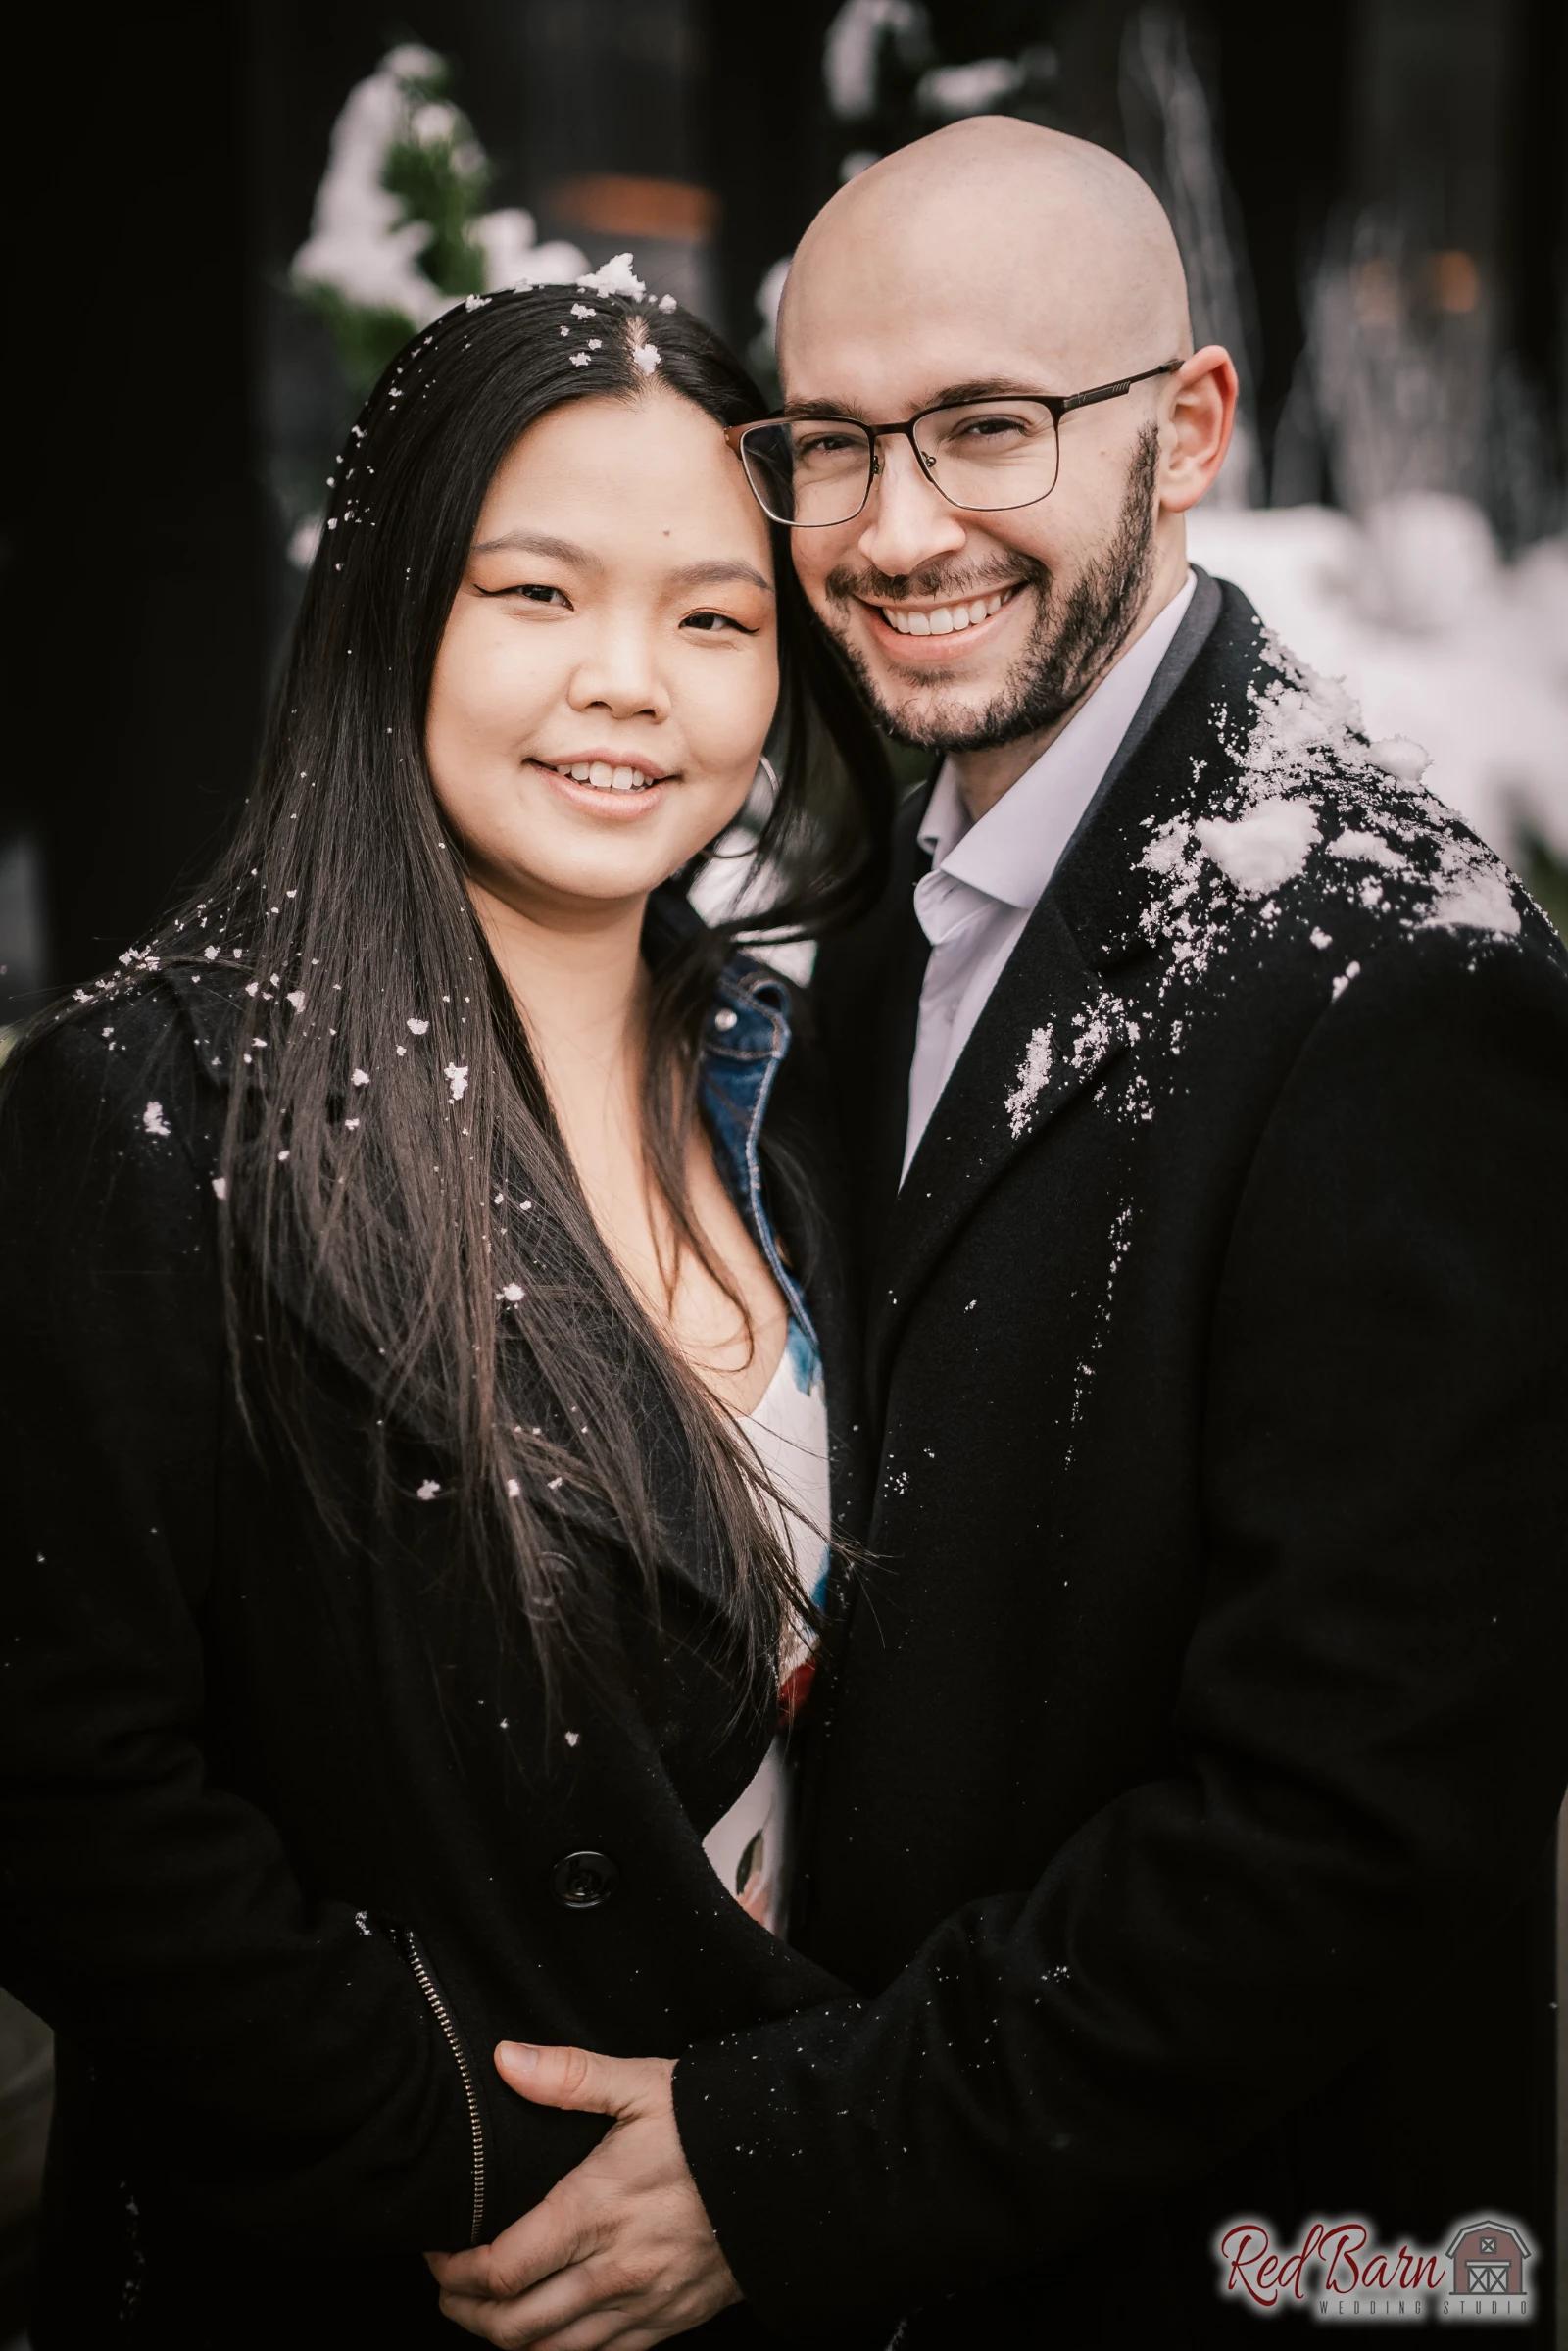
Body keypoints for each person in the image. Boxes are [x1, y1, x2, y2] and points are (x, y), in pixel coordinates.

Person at [436, 122, 1568, 2348]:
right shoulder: (885, 880)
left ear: (1187, 427)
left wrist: (803, 2163)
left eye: (981, 427)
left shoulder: (1398, 979)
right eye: (831, 445)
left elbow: (1347, 1830)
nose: (895, 526)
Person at [0, 274, 900, 2347]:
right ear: (393, 602)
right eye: (535, 592)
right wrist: (467, 2156)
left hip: (782, 2220)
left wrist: (787, 2150)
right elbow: (58, 1776)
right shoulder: (151, 1108)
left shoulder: (789, 1075)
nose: (627, 688)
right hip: (395, 2267)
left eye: (709, 617)